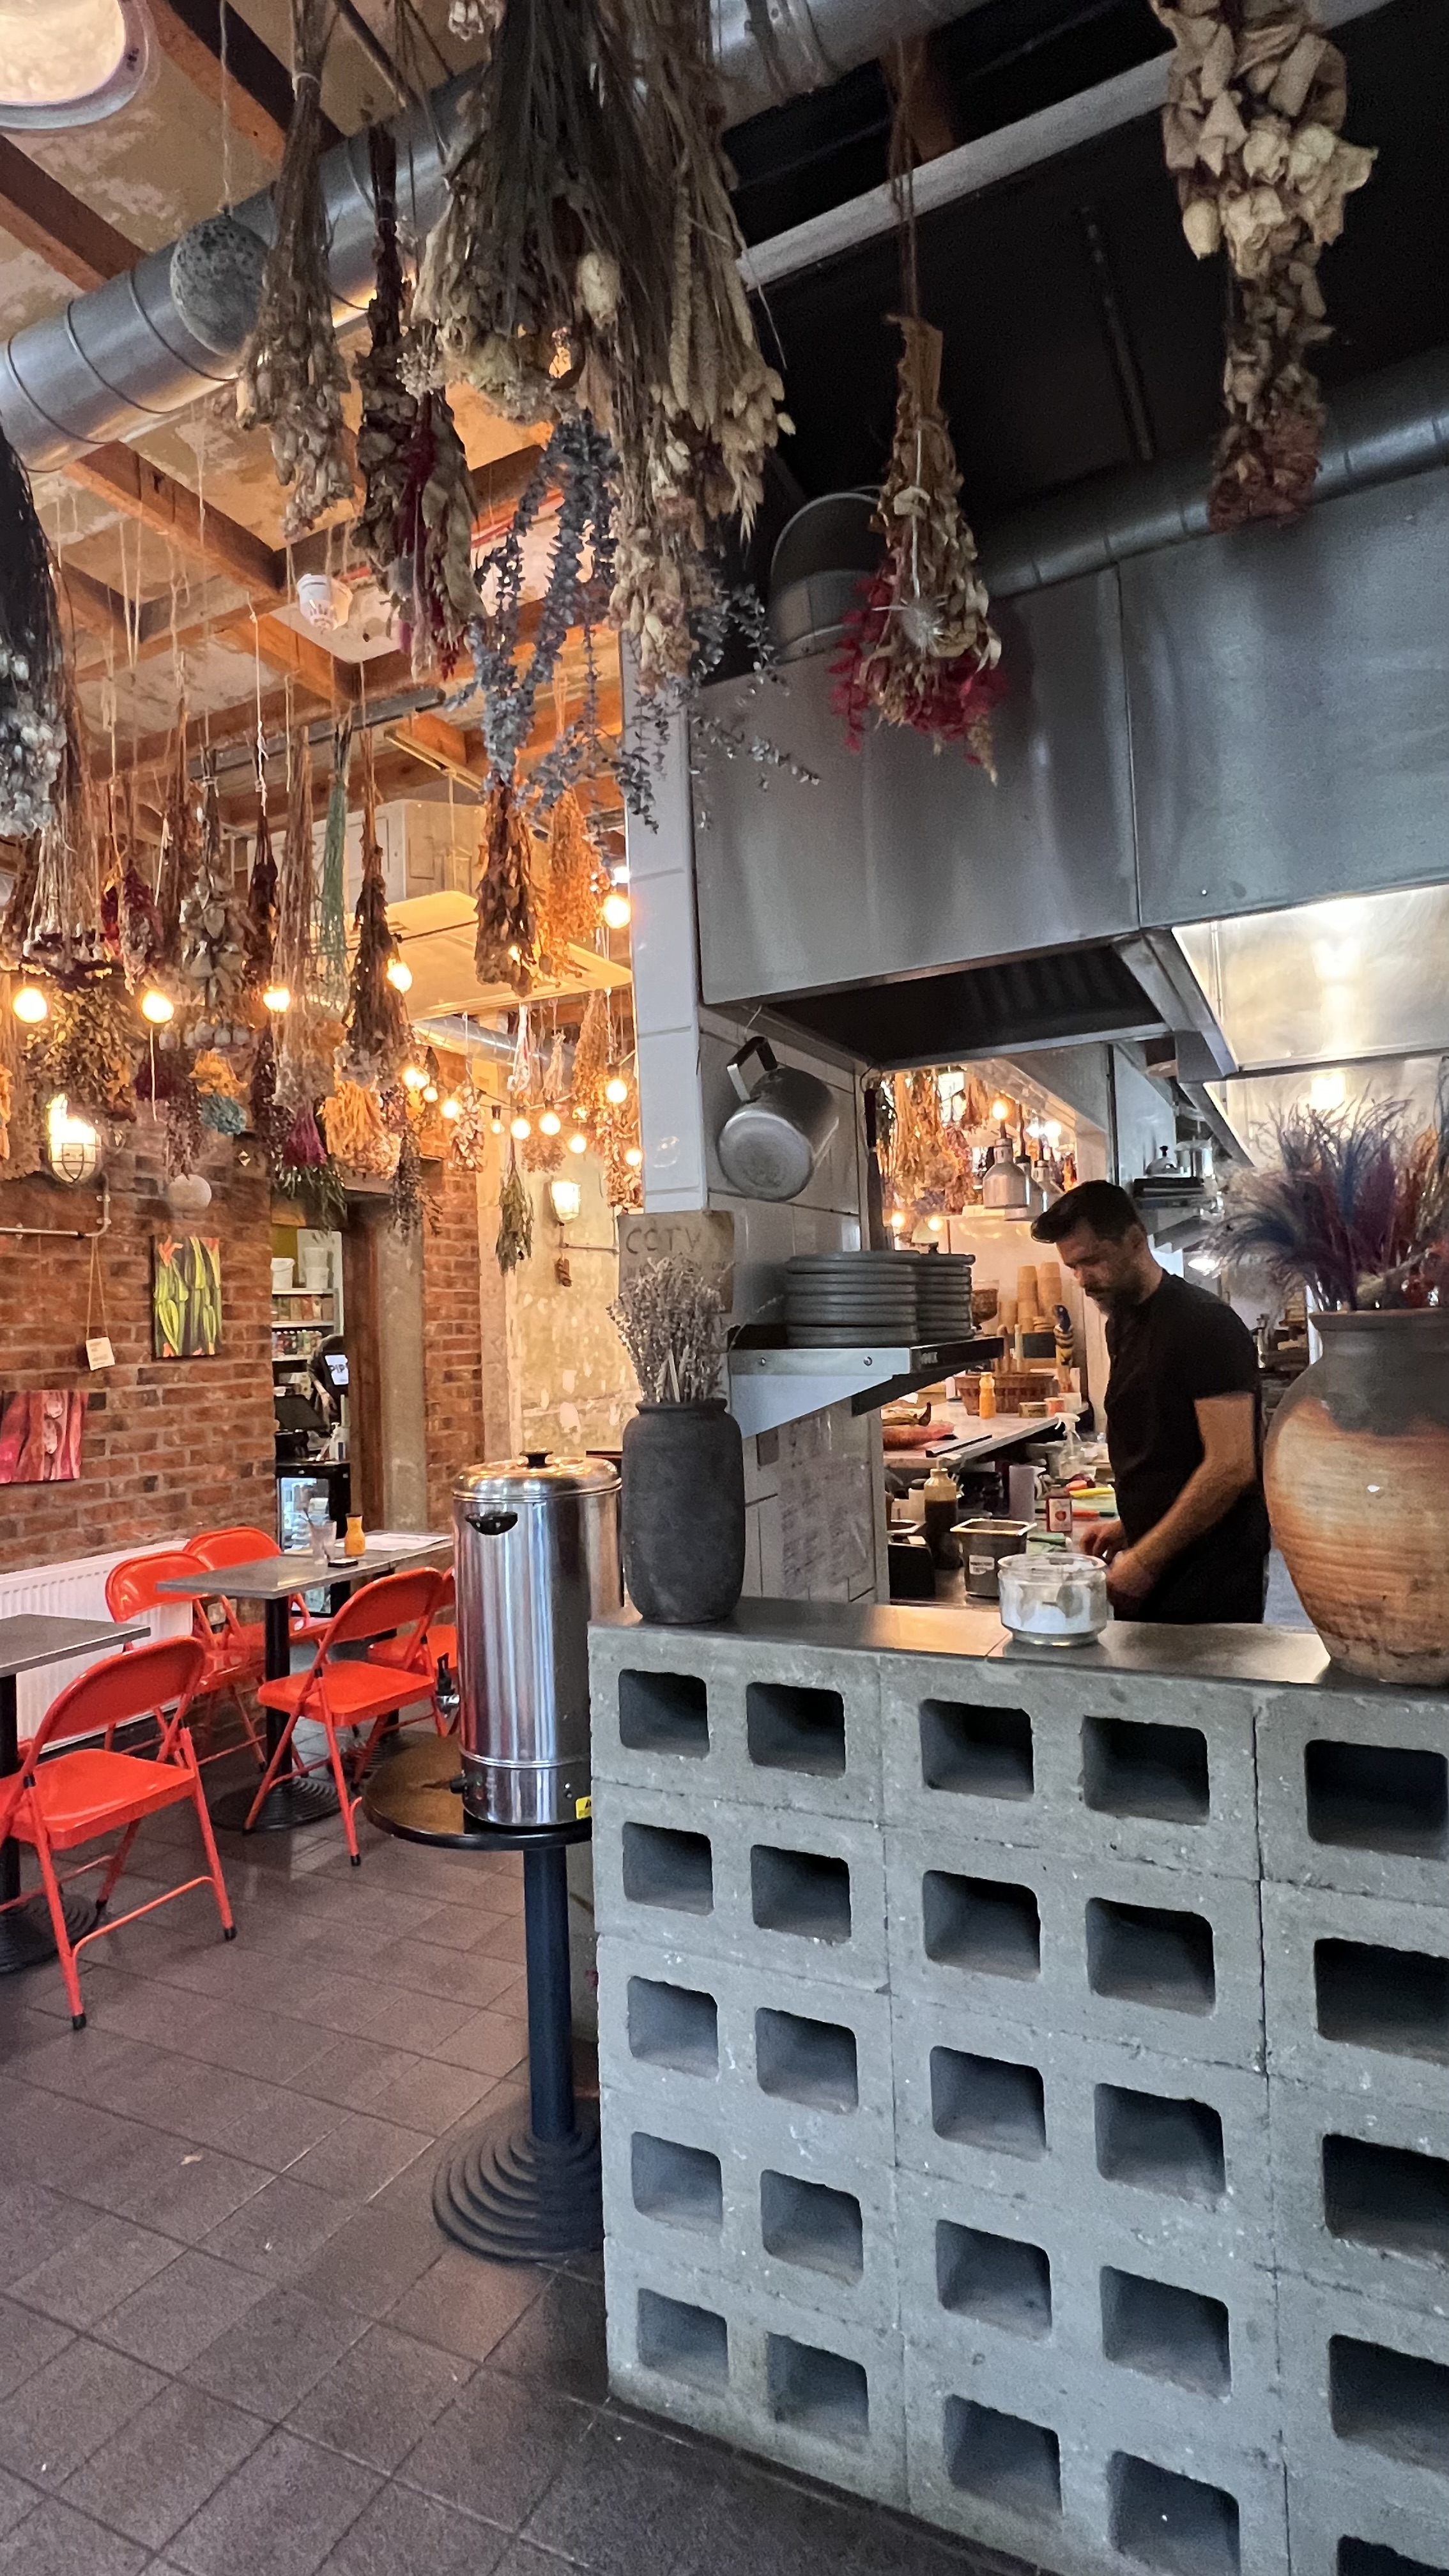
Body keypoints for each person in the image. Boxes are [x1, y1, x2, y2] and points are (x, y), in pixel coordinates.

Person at [1031, 1179, 1269, 1623]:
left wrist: (1146, 1560)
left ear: (1136, 1240)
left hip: (1209, 1579)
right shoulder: (1121, 1325)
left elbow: (1231, 1466)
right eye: (1073, 1267)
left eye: (1092, 1261)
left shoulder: (1205, 1324)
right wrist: (1130, 1528)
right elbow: (1169, 1451)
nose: (1083, 1280)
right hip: (1162, 1562)